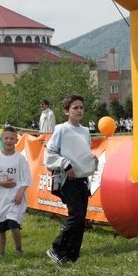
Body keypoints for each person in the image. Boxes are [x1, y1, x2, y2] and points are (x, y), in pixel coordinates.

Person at [45, 94, 98, 264]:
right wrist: (65, 164)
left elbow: (82, 153)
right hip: (67, 180)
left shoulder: (85, 131)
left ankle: (71, 256)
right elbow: (50, 153)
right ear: (66, 111)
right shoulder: (61, 129)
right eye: (75, 108)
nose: (79, 110)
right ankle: (56, 248)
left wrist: (92, 160)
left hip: (82, 179)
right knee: (75, 217)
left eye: (81, 107)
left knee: (81, 219)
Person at [0, 126, 32, 255]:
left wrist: (20, 193)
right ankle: (1, 252)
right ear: (1, 139)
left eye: (12, 138)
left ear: (16, 140)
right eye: (6, 138)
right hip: (0, 198)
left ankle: (18, 249)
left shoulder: (20, 159)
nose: (9, 141)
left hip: (15, 198)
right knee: (1, 228)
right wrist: (2, 183)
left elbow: (26, 179)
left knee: (13, 223)